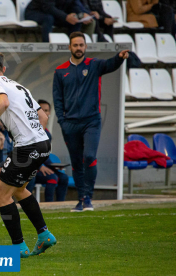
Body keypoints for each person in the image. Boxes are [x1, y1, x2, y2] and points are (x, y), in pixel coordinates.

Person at [0, 50, 56, 258]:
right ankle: (44, 235)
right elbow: (42, 117)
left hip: (27, 147)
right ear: (4, 69)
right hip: (43, 144)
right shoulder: (19, 86)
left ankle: (18, 247)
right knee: (18, 190)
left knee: (0, 194)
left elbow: (2, 103)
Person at [53, 32, 129, 212]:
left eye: (81, 45)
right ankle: (82, 199)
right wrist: (62, 122)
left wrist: (119, 57)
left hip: (91, 121)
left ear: (85, 47)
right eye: (75, 45)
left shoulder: (94, 65)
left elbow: (110, 64)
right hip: (69, 124)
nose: (78, 48)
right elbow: (57, 99)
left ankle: (88, 196)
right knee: (77, 162)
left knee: (89, 156)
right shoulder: (60, 70)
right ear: (70, 47)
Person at [26, 100, 69, 202]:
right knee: (52, 178)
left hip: (41, 166)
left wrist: (53, 166)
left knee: (64, 178)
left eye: (47, 110)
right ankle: (48, 206)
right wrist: (40, 166)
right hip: (29, 167)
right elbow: (27, 152)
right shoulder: (29, 129)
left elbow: (44, 154)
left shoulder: (47, 134)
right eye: (41, 110)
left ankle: (60, 207)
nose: (44, 113)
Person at [24, 0, 90, 42]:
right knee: (48, 19)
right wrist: (65, 17)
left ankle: (74, 45)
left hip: (54, 14)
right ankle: (47, 47)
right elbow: (49, 8)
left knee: (75, 21)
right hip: (34, 12)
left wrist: (81, 15)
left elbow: (73, 5)